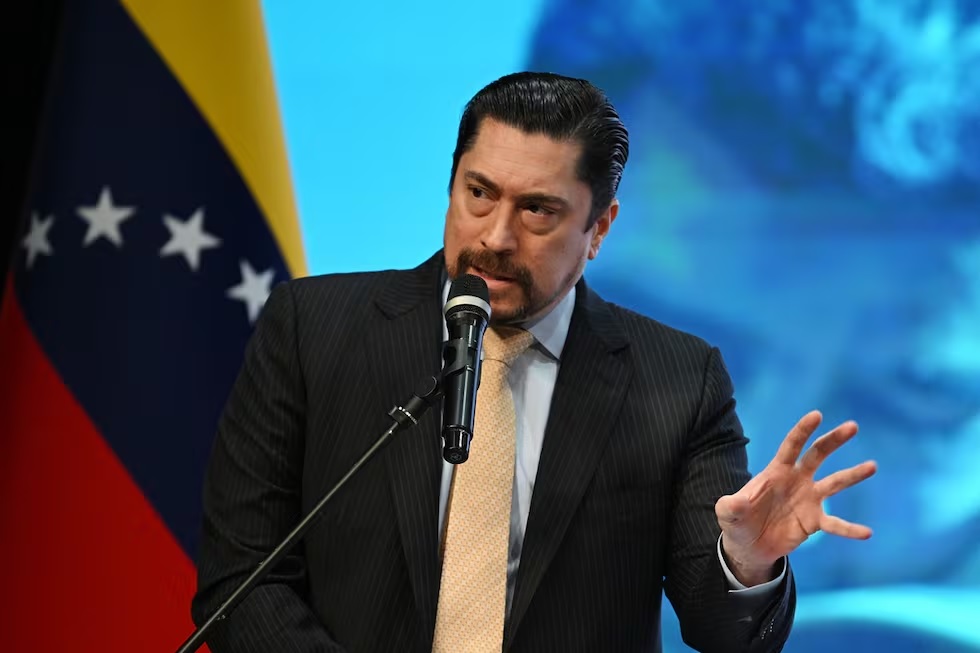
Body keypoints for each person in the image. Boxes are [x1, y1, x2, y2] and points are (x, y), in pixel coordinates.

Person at [190, 72, 877, 653]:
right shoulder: (313, 329)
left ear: (598, 228)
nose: (495, 236)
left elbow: (720, 628)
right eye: (479, 193)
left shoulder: (678, 379)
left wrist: (746, 564)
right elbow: (242, 577)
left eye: (538, 211)